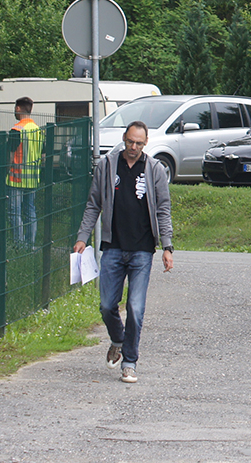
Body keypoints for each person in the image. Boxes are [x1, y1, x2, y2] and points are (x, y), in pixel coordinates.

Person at [74, 121, 173, 384]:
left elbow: (163, 209)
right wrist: (82, 238)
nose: (134, 147)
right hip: (113, 248)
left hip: (142, 250)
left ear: (146, 143)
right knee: (107, 305)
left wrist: (167, 246)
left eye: (139, 143)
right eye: (130, 141)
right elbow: (93, 204)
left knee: (136, 308)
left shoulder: (154, 170)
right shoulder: (107, 166)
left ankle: (129, 362)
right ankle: (117, 338)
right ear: (124, 139)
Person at [7, 97, 44, 247]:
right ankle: (31, 243)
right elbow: (43, 156)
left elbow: (9, 157)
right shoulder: (38, 130)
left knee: (15, 212)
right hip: (33, 179)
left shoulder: (16, 130)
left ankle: (19, 243)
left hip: (16, 178)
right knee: (30, 211)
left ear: (18, 109)